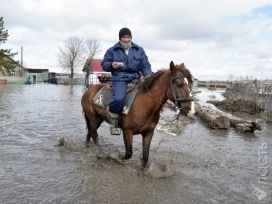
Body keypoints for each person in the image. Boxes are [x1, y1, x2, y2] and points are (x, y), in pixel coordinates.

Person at [101, 27, 153, 135]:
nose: (126, 39)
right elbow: (104, 64)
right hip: (120, 78)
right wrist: (111, 65)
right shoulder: (112, 50)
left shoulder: (139, 50)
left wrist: (148, 74)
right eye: (124, 37)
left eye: (128, 37)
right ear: (120, 38)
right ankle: (113, 122)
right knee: (119, 99)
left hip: (136, 78)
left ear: (131, 37)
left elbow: (145, 65)